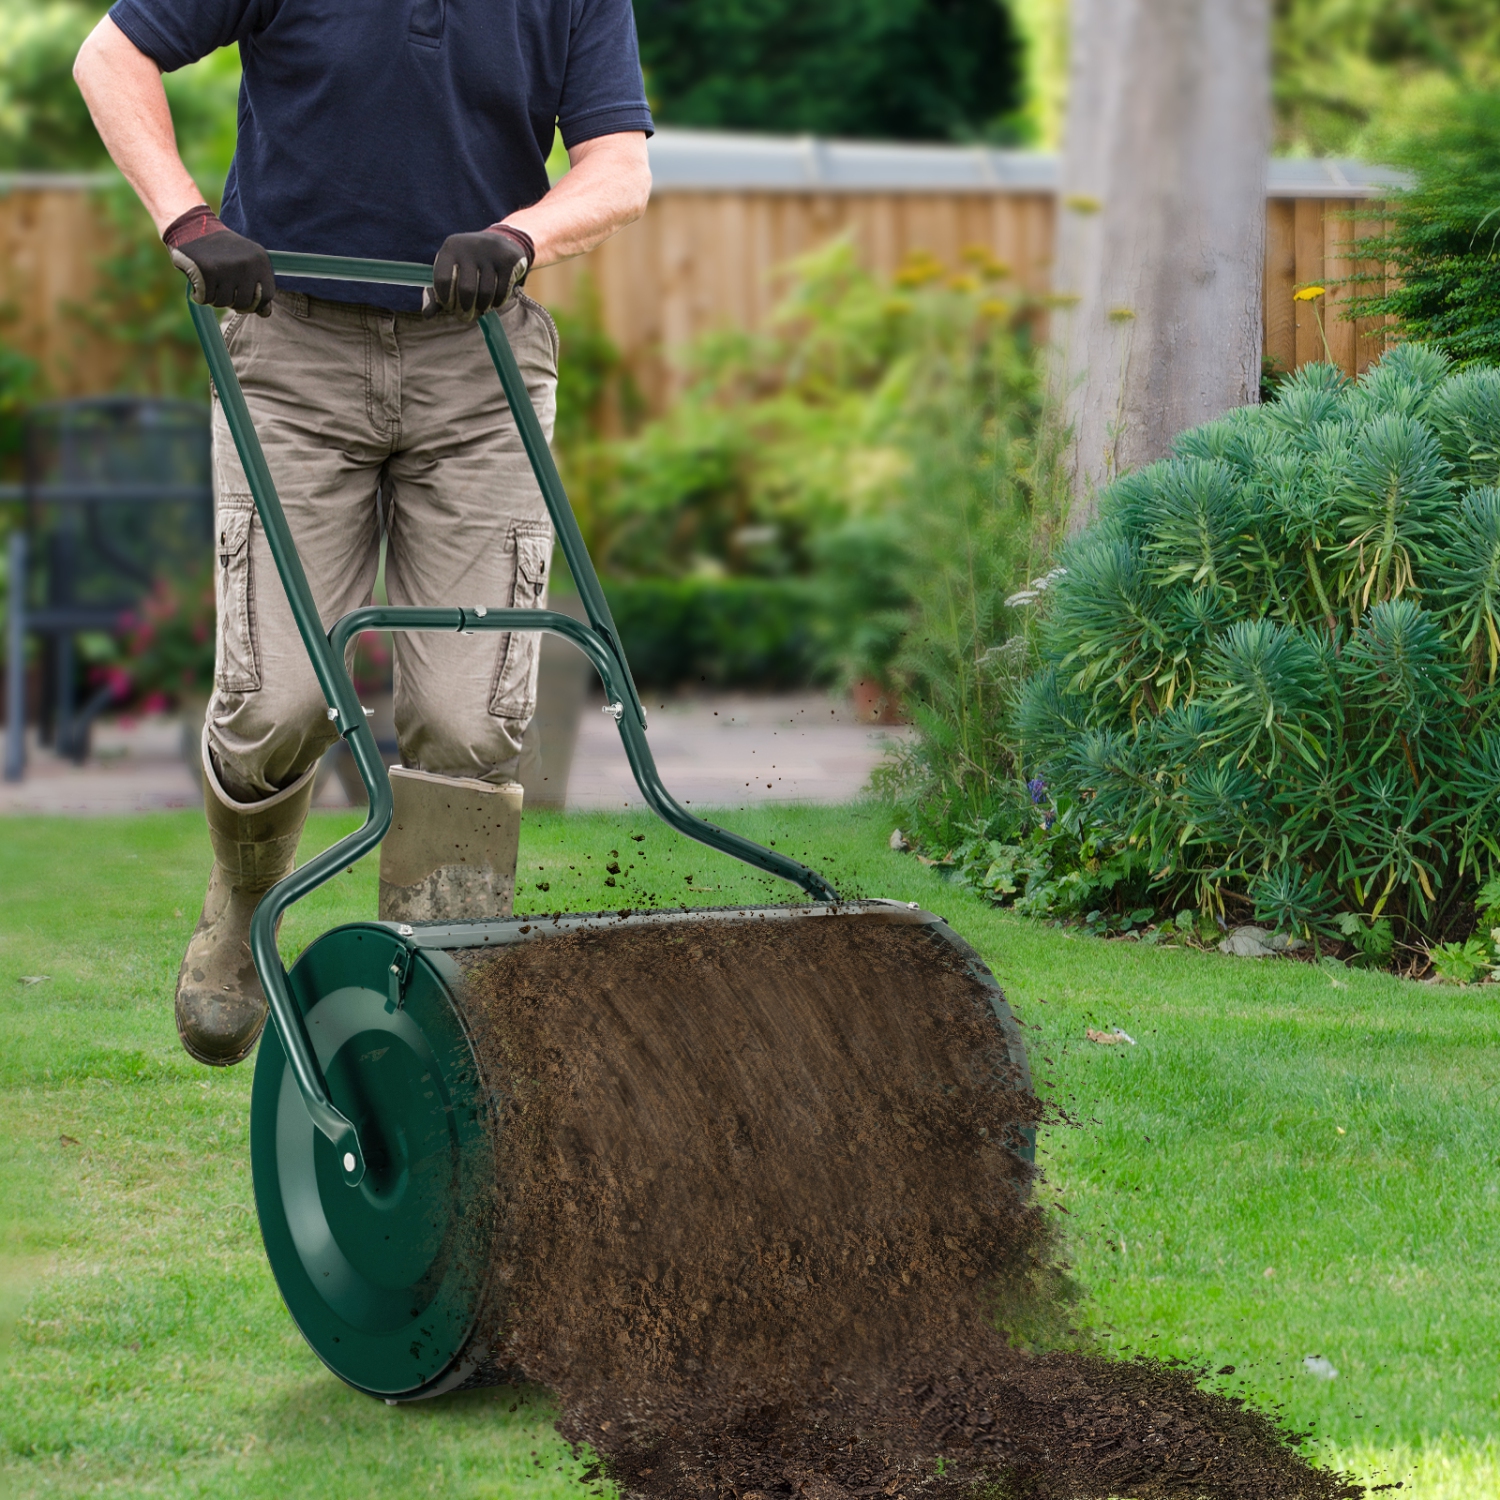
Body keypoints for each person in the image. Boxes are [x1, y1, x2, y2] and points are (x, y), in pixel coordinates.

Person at [73, 0, 653, 1066]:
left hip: (479, 366)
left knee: (471, 725)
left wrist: (521, 234)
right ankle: (245, 912)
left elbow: (619, 167)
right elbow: (111, 57)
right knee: (276, 706)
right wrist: (189, 221)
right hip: (291, 357)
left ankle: (437, 1006)